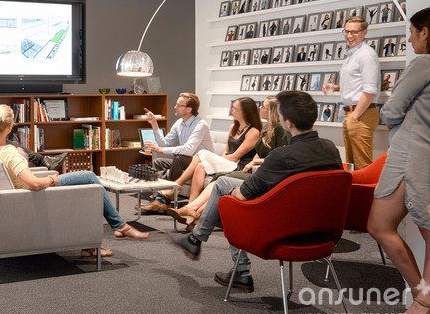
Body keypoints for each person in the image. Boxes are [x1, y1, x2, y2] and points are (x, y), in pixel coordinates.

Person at [170, 91, 342, 291]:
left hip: (283, 229)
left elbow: (244, 194)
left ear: (287, 122)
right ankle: (195, 238)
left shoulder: (282, 156)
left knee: (228, 200)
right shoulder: (331, 149)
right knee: (222, 182)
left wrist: (231, 195)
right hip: (322, 230)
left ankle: (239, 270)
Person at [0, 105, 148, 257]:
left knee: (87, 182)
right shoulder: (9, 153)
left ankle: (110, 232)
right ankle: (120, 226)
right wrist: (52, 179)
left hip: (16, 194)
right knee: (90, 178)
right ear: (9, 127)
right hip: (35, 193)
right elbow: (34, 184)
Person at [367, 6, 430, 314]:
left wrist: (399, 115)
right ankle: (426, 305)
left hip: (407, 158)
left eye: (412, 32)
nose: (410, 39)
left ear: (426, 31)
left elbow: (391, 111)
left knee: (380, 226)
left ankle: (424, 301)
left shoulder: (426, 64)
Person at [162, 98, 261, 227]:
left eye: (235, 109)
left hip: (239, 166)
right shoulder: (233, 128)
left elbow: (235, 156)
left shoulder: (253, 132)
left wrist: (216, 160)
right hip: (228, 162)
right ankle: (189, 208)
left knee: (202, 153)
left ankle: (177, 184)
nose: (232, 110)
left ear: (245, 112)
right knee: (200, 166)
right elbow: (226, 152)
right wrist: (218, 160)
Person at [141, 93, 214, 213]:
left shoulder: (200, 125)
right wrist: (154, 123)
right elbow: (165, 143)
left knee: (179, 158)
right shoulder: (179, 123)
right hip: (188, 160)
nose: (175, 107)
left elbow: (188, 149)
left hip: (203, 162)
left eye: (179, 105)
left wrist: (160, 150)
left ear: (189, 109)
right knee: (159, 162)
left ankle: (166, 198)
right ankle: (161, 200)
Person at [325, 16, 380, 169]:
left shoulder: (366, 55)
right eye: (347, 31)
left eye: (354, 32)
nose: (349, 36)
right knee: (351, 165)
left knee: (362, 166)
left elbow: (370, 90)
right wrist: (336, 87)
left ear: (365, 32)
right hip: (352, 113)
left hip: (361, 113)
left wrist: (355, 116)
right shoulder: (352, 54)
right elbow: (357, 85)